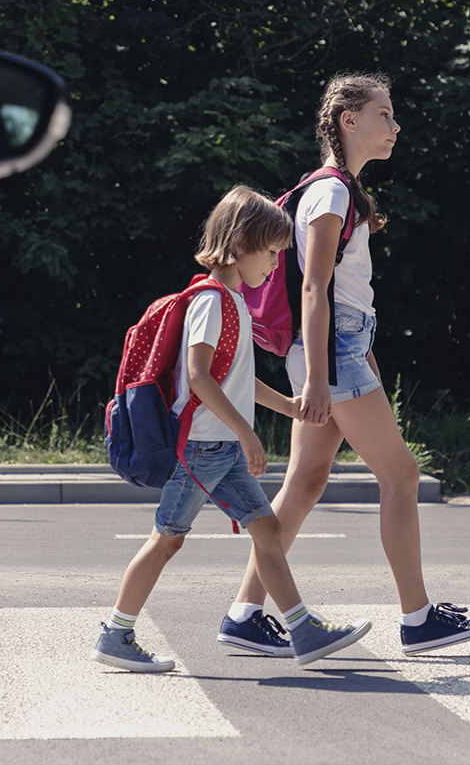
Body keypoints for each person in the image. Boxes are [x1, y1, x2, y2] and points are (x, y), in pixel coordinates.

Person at [217, 74, 470, 659]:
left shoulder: (337, 192)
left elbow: (338, 292)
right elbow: (315, 288)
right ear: (348, 119)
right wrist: (322, 377)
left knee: (306, 482)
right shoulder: (332, 193)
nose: (395, 126)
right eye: (384, 114)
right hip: (331, 352)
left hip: (340, 349)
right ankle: (418, 618)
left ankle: (244, 614)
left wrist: (350, 357)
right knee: (401, 477)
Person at [92, 186, 373, 673]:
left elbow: (237, 379)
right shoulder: (210, 300)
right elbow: (199, 376)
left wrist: (287, 405)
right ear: (239, 244)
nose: (273, 266)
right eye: (270, 253)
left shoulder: (234, 302)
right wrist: (247, 433)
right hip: (201, 449)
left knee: (267, 530)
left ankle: (302, 629)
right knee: (167, 540)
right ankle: (117, 633)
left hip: (217, 448)